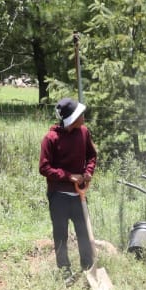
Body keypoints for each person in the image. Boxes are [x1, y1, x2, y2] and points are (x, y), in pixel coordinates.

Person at [39, 97, 97, 280]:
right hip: (59, 196)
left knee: (84, 232)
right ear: (71, 118)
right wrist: (68, 176)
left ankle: (88, 269)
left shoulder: (84, 133)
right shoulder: (51, 139)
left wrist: (88, 172)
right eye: (80, 114)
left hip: (78, 195)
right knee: (61, 234)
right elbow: (44, 168)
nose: (84, 117)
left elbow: (91, 156)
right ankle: (65, 271)